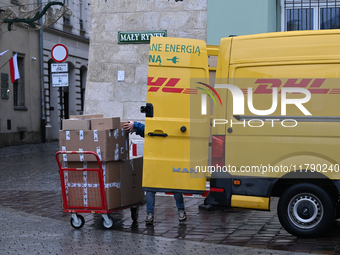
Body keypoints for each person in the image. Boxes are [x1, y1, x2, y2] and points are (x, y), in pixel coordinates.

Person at [123, 120, 187, 225]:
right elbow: (148, 131)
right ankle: (180, 212)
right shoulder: (173, 121)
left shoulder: (163, 122)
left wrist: (135, 125)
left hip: (159, 159)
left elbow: (149, 129)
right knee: (172, 186)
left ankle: (150, 214)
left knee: (152, 187)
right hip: (165, 158)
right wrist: (136, 128)